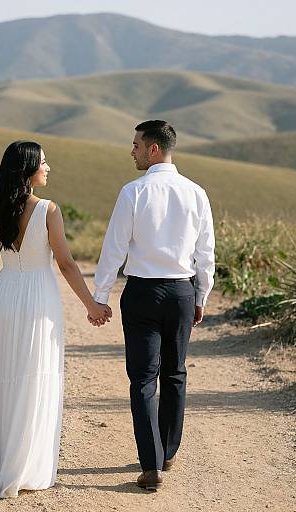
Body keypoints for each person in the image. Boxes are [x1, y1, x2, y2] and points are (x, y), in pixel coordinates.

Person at [0, 140, 111, 498]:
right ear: (27, 170)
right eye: (43, 162)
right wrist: (92, 305)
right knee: (33, 378)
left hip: (4, 296)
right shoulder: (48, 210)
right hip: (39, 299)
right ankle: (22, 466)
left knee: (2, 375)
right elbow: (67, 264)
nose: (48, 167)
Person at [93, 120, 215, 490]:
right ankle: (169, 452)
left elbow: (113, 248)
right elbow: (205, 252)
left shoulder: (133, 192)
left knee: (142, 379)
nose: (131, 150)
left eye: (136, 144)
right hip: (181, 292)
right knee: (175, 373)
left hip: (142, 293)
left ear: (154, 149)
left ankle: (151, 464)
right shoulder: (197, 193)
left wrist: (100, 295)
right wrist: (202, 296)